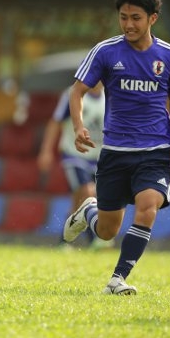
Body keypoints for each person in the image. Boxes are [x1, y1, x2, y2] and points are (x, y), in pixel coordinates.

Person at [63, 0, 170, 295]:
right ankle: (88, 211)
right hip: (116, 152)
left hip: (156, 150)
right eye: (124, 17)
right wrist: (78, 126)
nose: (129, 24)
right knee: (106, 231)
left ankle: (117, 278)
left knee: (148, 206)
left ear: (152, 18)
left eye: (136, 18)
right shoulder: (106, 52)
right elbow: (77, 90)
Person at [37, 82, 112, 249]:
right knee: (88, 191)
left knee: (79, 201)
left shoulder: (110, 96)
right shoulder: (73, 94)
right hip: (74, 155)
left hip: (99, 158)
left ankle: (64, 240)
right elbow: (55, 122)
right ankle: (95, 238)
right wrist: (46, 150)